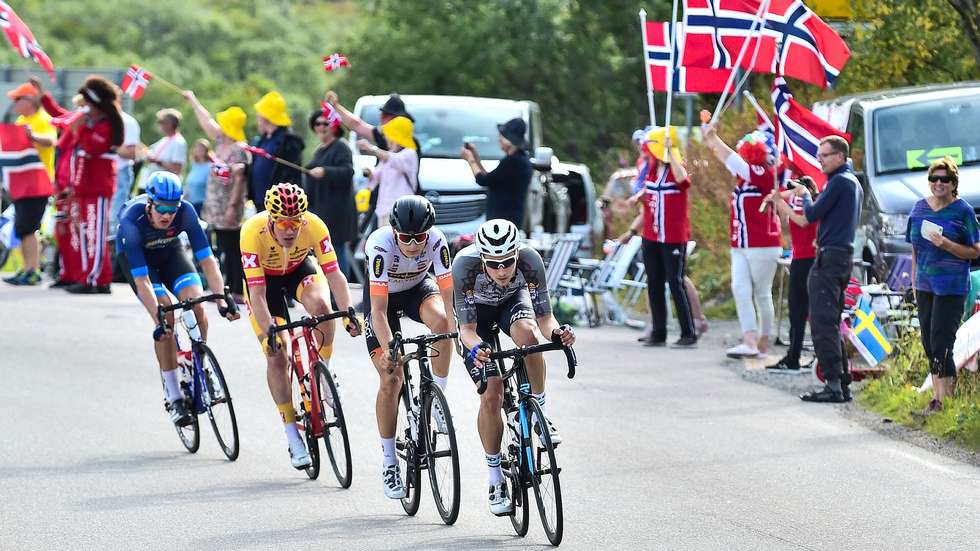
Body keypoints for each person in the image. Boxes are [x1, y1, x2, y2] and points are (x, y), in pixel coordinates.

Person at [453, 219, 575, 515]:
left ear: (517, 254)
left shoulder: (530, 260)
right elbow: (466, 330)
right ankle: (495, 478)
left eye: (508, 262)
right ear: (482, 258)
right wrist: (477, 348)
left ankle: (540, 413)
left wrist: (558, 333)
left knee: (529, 337)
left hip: (511, 303)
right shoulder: (464, 266)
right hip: (476, 319)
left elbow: (545, 319)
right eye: (494, 264)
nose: (502, 270)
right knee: (492, 395)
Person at [239, 182, 361, 469]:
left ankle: (324, 372)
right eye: (283, 223)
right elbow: (257, 294)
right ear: (271, 219)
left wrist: (348, 313)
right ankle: (292, 435)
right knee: (276, 354)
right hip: (264, 285)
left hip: (298, 270)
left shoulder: (314, 225)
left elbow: (335, 275)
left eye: (295, 222)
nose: (290, 230)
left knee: (322, 308)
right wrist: (269, 332)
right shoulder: (252, 232)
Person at [116, 172, 239, 426]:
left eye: (172, 208)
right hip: (142, 264)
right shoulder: (131, 221)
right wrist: (159, 320)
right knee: (167, 315)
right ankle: (173, 396)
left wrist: (222, 299)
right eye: (161, 208)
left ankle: (201, 365)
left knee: (196, 302)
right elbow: (143, 282)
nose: (167, 214)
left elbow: (208, 261)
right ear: (149, 203)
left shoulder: (186, 212)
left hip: (170, 253)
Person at [363, 196, 457, 499]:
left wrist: (456, 331)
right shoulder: (380, 246)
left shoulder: (437, 241)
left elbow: (448, 295)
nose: (415, 244)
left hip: (418, 289)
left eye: (420, 237)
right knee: (391, 377)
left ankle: (437, 396)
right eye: (406, 238)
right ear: (394, 232)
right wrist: (390, 349)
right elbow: (378, 312)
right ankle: (390, 462)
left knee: (442, 322)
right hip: (383, 302)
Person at [771, 136, 863, 403]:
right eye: (819, 155)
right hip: (839, 255)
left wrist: (805, 195)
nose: (819, 160)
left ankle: (833, 385)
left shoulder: (840, 182)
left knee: (823, 322)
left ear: (840, 157)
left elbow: (810, 215)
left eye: (824, 155)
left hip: (830, 258)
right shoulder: (851, 182)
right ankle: (840, 382)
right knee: (831, 321)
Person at [905, 157, 980, 411]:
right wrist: (915, 284)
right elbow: (914, 251)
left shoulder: (963, 211)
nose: (938, 183)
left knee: (942, 342)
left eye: (944, 179)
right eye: (934, 178)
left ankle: (943, 400)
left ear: (953, 183)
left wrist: (946, 244)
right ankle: (937, 399)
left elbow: (975, 250)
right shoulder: (919, 209)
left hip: (951, 287)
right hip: (924, 286)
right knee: (928, 342)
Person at [703, 125, 782, 358]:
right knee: (740, 288)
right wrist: (710, 140)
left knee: (762, 293)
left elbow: (734, 161)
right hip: (740, 244)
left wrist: (715, 138)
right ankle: (749, 340)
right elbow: (727, 160)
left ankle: (763, 342)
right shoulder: (744, 179)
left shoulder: (766, 174)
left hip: (763, 244)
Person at [40, 76, 125, 294]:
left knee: (94, 235)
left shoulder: (105, 126)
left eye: (87, 103)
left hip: (97, 189)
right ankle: (88, 276)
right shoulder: (91, 124)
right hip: (83, 188)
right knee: (84, 235)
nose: (83, 107)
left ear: (96, 104)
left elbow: (94, 148)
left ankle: (95, 280)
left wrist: (80, 129)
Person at [620, 126, 697, 347]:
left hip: (673, 236)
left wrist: (670, 151)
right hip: (652, 235)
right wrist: (639, 198)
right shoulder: (653, 170)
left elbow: (683, 180)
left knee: (675, 282)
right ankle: (658, 331)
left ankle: (688, 332)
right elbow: (650, 192)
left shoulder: (676, 169)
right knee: (653, 282)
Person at [182, 90, 250, 302]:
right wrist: (193, 100)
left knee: (232, 248)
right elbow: (207, 121)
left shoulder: (239, 150)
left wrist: (233, 206)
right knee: (220, 246)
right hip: (215, 207)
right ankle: (224, 288)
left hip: (228, 206)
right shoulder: (221, 142)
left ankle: (237, 290)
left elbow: (240, 180)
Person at [323, 91, 419, 223]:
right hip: (382, 206)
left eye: (387, 115)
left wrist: (371, 149)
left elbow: (395, 160)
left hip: (401, 209)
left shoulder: (410, 150)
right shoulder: (385, 140)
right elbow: (356, 125)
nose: (382, 118)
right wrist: (336, 106)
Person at [2, 82, 55, 286]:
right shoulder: (21, 120)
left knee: (29, 227)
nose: (14, 103)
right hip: (21, 184)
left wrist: (32, 136)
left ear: (30, 101)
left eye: (18, 99)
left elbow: (51, 140)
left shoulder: (43, 119)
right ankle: (27, 268)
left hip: (38, 184)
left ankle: (33, 271)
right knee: (22, 228)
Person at [768, 175, 819, 372]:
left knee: (808, 311)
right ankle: (793, 355)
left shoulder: (811, 206)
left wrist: (781, 203)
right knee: (796, 311)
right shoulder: (798, 205)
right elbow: (788, 222)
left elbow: (803, 221)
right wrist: (779, 198)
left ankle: (812, 356)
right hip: (799, 258)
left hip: (809, 260)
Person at [304, 110, 356, 277]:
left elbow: (348, 172)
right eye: (317, 123)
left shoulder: (341, 146)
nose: (321, 127)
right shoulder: (320, 150)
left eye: (325, 123)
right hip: (321, 210)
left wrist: (325, 172)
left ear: (334, 126)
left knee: (336, 251)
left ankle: (341, 289)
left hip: (337, 213)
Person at [460, 118, 533, 228]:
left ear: (509, 140)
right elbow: (491, 179)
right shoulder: (518, 160)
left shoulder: (514, 162)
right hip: (508, 218)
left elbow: (483, 180)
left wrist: (470, 160)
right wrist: (476, 157)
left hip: (504, 219)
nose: (499, 139)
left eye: (502, 136)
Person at [248, 91, 304, 207]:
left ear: (266, 117)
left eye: (259, 114)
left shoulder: (289, 141)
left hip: (278, 204)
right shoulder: (262, 140)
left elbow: (291, 176)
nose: (257, 117)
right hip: (259, 201)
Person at [137, 108, 187, 191]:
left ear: (170, 124)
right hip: (156, 185)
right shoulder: (165, 140)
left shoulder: (178, 142)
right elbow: (148, 151)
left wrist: (157, 161)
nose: (159, 124)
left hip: (165, 188)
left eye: (161, 122)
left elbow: (177, 169)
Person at [185, 139, 212, 215]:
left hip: (203, 205)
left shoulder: (210, 167)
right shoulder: (194, 165)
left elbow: (210, 187)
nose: (199, 150)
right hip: (191, 203)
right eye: (197, 148)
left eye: (201, 148)